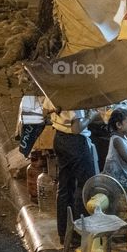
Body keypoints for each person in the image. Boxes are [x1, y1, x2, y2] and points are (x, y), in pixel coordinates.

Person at [50, 103, 100, 242]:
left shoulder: (54, 89)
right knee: (85, 186)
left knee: (65, 187)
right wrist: (91, 117)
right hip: (75, 142)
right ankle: (79, 233)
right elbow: (76, 128)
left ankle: (65, 233)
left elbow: (46, 110)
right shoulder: (74, 97)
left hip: (59, 138)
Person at [103, 108, 127, 191]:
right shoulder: (117, 140)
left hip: (122, 170)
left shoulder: (124, 134)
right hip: (115, 174)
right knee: (121, 192)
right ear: (119, 125)